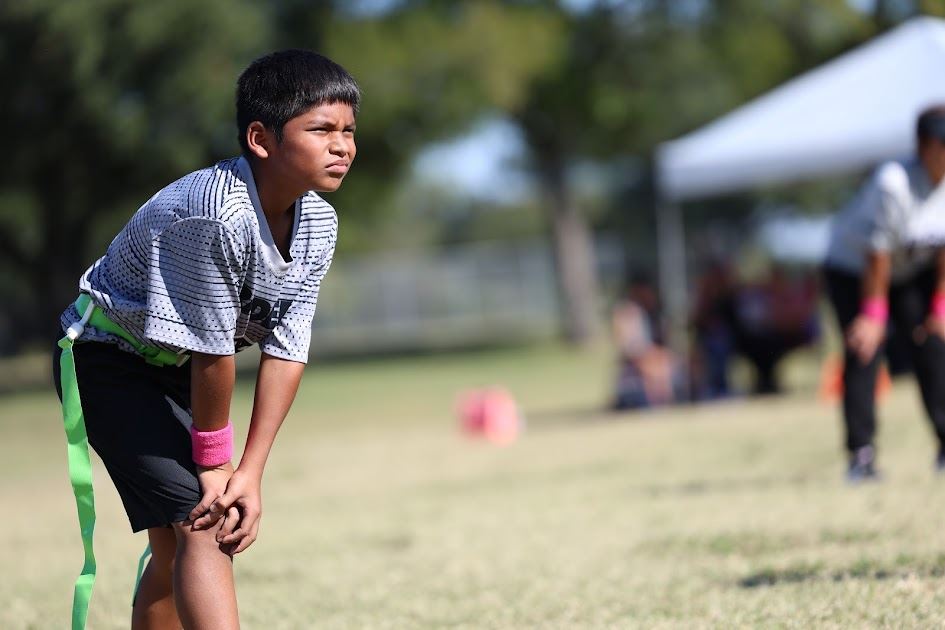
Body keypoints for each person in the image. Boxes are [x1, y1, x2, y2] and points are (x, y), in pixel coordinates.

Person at [53, 50, 358, 629]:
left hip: (180, 366)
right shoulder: (213, 214)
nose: (341, 145)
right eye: (321, 129)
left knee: (176, 550)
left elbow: (288, 348)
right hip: (109, 357)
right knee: (206, 520)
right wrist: (216, 467)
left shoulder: (319, 220)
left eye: (348, 131)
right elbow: (213, 354)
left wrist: (251, 470)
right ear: (261, 138)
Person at [822, 105, 945, 482]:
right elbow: (876, 255)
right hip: (852, 269)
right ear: (924, 147)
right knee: (865, 349)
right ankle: (861, 456)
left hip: (909, 269)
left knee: (933, 343)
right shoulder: (892, 183)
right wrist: (873, 315)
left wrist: (940, 307)